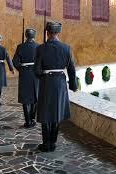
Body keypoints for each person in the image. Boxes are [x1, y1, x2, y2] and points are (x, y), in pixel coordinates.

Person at [34, 21, 78, 152]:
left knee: (45, 112)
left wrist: (42, 75)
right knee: (57, 112)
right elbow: (71, 69)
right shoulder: (66, 48)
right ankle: (53, 142)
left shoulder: (40, 48)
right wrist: (73, 85)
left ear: (47, 33)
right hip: (60, 83)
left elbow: (36, 70)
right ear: (58, 33)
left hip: (46, 83)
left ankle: (46, 143)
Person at [13, 28, 39, 128]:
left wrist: (22, 69)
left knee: (25, 98)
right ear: (34, 36)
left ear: (25, 35)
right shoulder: (38, 46)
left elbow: (15, 61)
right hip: (35, 74)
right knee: (35, 96)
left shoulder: (20, 46)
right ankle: (32, 118)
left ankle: (27, 121)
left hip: (24, 74)